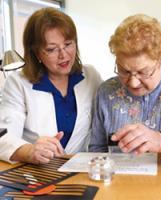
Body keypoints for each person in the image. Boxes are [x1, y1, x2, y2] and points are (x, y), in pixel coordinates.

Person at [89, 14, 161, 161]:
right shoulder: (106, 92)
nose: (133, 83)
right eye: (124, 71)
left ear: (160, 60)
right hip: (122, 182)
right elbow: (97, 150)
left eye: (143, 72)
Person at [0, 7, 102, 164]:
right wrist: (29, 151)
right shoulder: (18, 83)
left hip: (80, 171)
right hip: (36, 174)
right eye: (52, 49)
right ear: (37, 53)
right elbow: (3, 137)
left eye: (68, 44)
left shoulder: (90, 76)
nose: (63, 55)